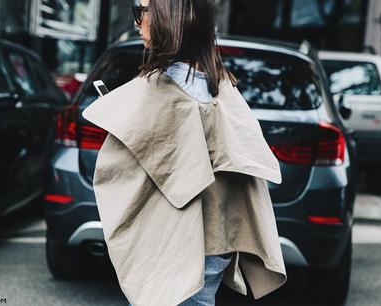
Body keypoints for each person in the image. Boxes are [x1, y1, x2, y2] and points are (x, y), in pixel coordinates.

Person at [82, 0, 287, 305]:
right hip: (217, 242)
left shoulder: (157, 94)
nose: (138, 23)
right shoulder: (224, 91)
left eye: (142, 11)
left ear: (173, 15)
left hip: (170, 249)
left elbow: (120, 178)